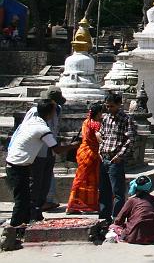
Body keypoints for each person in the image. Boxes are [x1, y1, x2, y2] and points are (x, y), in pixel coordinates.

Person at [5, 100, 77, 227]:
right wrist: (73, 146)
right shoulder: (42, 129)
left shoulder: (32, 122)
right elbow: (56, 149)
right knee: (21, 201)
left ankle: (25, 225)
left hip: (17, 164)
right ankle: (13, 230)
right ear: (50, 113)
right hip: (17, 166)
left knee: (26, 199)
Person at [21, 87, 66, 217]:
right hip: (38, 149)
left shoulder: (58, 109)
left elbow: (55, 128)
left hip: (49, 148)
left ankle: (43, 204)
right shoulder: (34, 112)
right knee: (36, 180)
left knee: (46, 179)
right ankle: (32, 209)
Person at [99, 93, 137, 221]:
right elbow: (103, 136)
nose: (109, 108)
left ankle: (117, 218)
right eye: (107, 106)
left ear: (119, 105)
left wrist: (120, 155)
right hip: (104, 157)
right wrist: (100, 150)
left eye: (112, 106)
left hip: (116, 159)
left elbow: (130, 140)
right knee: (104, 191)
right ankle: (104, 217)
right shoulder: (105, 118)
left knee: (118, 193)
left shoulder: (126, 119)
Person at [66, 102, 104, 214]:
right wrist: (105, 143)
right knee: (92, 180)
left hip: (83, 152)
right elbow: (98, 136)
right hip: (91, 154)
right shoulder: (96, 124)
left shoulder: (86, 122)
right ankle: (79, 205)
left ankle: (74, 204)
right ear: (99, 113)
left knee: (80, 179)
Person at [109, 175, 154, 244]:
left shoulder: (132, 201)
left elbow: (119, 220)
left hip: (134, 237)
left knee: (113, 227)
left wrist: (119, 224)